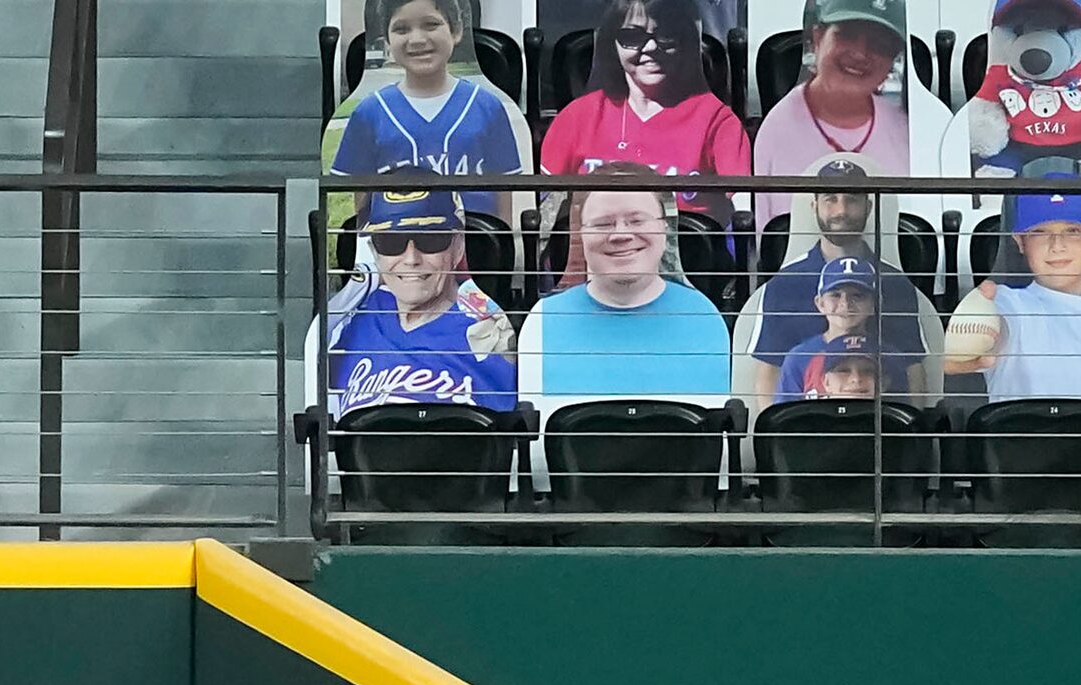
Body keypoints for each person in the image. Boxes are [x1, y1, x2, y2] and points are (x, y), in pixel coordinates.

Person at [523, 176, 734, 400]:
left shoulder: (704, 317)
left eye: (637, 221)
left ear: (664, 229)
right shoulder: (543, 320)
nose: (621, 235)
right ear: (581, 235)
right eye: (603, 223)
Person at [540, 0, 752, 222]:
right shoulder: (576, 117)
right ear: (611, 43)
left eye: (667, 35)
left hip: (691, 254)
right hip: (595, 254)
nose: (651, 48)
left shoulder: (718, 121)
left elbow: (743, 215)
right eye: (632, 37)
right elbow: (547, 213)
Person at [944, 187, 1081, 404]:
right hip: (1024, 437)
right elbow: (995, 330)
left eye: (1072, 231)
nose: (1057, 246)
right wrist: (968, 339)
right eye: (1040, 232)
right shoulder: (1006, 304)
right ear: (1020, 241)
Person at [314, 190, 518, 416]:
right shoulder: (345, 324)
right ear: (374, 251)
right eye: (391, 242)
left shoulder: (487, 333)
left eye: (430, 240)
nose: (411, 259)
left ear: (458, 245)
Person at [327, 0, 527, 228]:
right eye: (401, 29)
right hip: (397, 254)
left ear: (457, 31)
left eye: (431, 24)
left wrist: (499, 253)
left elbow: (502, 198)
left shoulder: (488, 107)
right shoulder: (368, 112)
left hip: (476, 252)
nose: (417, 39)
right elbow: (362, 207)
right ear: (387, 40)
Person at [751, 158, 931, 401]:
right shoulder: (783, 285)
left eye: (852, 199)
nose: (841, 211)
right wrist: (771, 436)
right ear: (814, 205)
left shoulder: (896, 284)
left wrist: (912, 435)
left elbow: (913, 370)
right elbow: (769, 371)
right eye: (830, 199)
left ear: (868, 207)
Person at [754, 0, 915, 227]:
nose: (860, 54)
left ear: (892, 61)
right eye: (847, 35)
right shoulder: (775, 131)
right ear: (818, 37)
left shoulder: (908, 131)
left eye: (880, 45)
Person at [773, 254, 913, 395]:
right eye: (835, 295)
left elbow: (899, 411)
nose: (845, 304)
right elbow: (785, 413)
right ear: (820, 304)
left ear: (875, 304)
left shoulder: (890, 356)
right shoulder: (799, 358)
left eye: (857, 296)